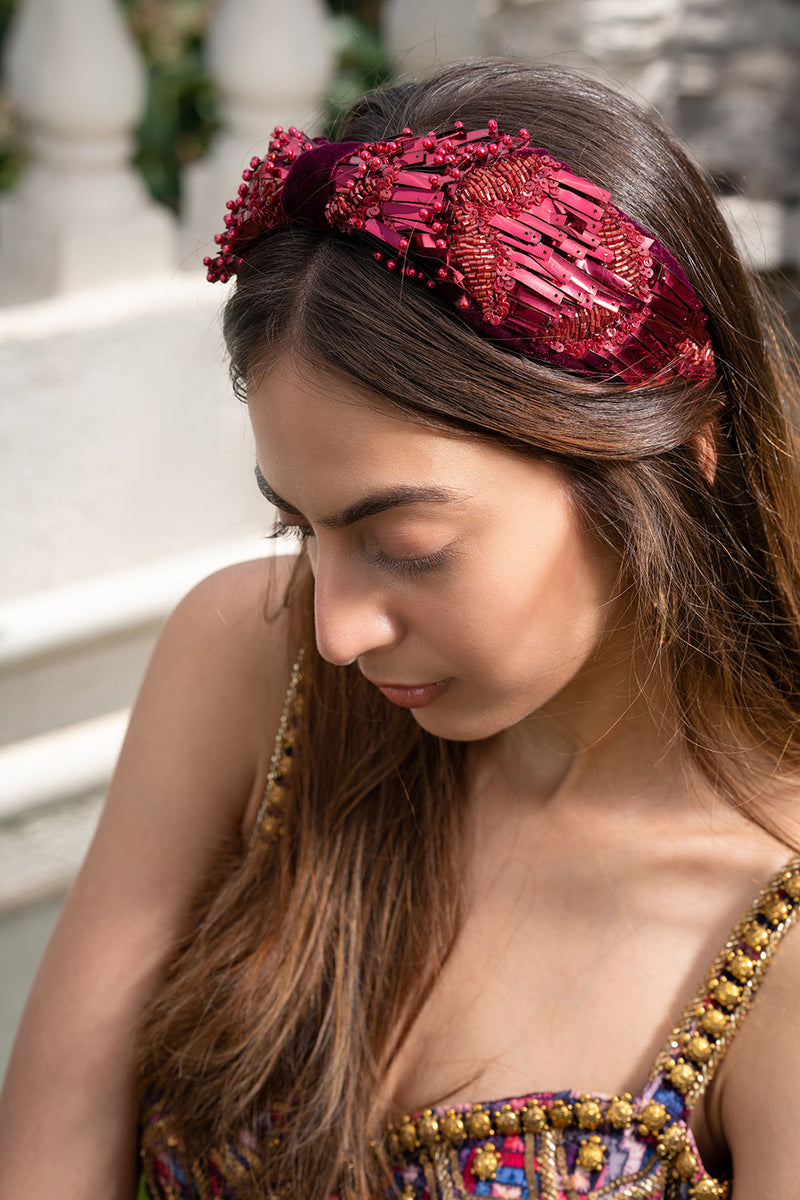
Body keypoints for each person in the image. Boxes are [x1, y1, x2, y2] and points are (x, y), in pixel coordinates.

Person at [1, 57, 800, 1200]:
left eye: (405, 545)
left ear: (670, 453)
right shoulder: (247, 664)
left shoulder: (771, 926)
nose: (334, 629)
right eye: (300, 530)